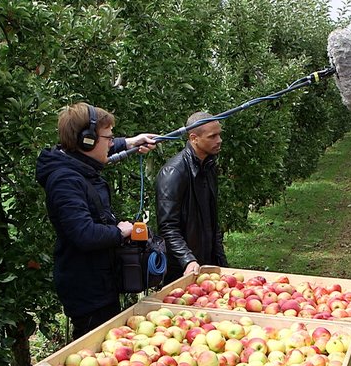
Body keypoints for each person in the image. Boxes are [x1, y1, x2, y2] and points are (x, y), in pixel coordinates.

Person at [35, 102, 158, 339]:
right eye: (109, 138)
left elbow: (105, 148)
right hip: (87, 291)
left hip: (100, 281)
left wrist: (132, 141)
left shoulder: (77, 163)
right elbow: (84, 234)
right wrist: (120, 231)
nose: (112, 143)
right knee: (95, 349)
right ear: (87, 141)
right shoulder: (65, 181)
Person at [155, 111, 228, 284]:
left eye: (219, 134)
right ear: (194, 138)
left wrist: (221, 263)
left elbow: (212, 220)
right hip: (181, 269)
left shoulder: (208, 166)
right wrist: (188, 260)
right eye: (213, 136)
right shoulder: (173, 172)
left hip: (205, 263)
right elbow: (168, 227)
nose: (219, 140)